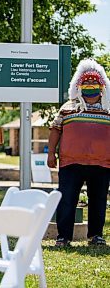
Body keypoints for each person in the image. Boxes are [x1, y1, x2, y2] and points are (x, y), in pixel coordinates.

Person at [47, 59, 110, 247]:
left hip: (102, 163)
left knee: (98, 200)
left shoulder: (109, 108)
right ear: (79, 85)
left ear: (102, 86)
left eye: (94, 84)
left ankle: (96, 236)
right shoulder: (67, 107)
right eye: (86, 83)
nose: (90, 87)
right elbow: (55, 129)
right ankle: (63, 237)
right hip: (70, 162)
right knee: (66, 199)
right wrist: (51, 153)